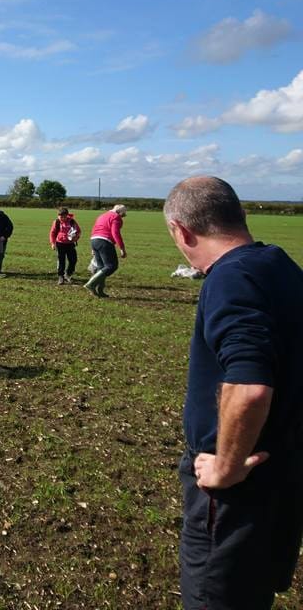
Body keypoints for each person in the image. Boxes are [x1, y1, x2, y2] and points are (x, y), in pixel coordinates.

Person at [164, 176, 303, 610]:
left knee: (214, 598)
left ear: (181, 231)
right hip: (283, 476)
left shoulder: (230, 279)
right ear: (239, 215)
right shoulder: (278, 264)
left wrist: (225, 467)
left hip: (236, 493)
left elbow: (249, 387)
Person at [84, 204, 127, 297]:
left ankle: (100, 290)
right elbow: (115, 232)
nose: (124, 216)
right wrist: (122, 248)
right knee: (111, 266)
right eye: (123, 214)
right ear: (119, 212)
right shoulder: (116, 217)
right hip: (105, 241)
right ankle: (91, 284)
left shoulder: (102, 215)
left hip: (94, 240)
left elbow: (94, 229)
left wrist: (93, 247)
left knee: (101, 267)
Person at [49, 207, 81, 284]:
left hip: (70, 244)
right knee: (61, 261)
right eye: (60, 216)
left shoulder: (72, 221)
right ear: (58, 216)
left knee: (73, 260)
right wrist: (53, 243)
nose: (62, 218)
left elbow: (78, 231)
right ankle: (61, 277)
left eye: (64, 216)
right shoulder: (56, 222)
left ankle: (68, 274)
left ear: (67, 215)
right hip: (60, 244)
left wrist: (75, 238)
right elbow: (52, 233)